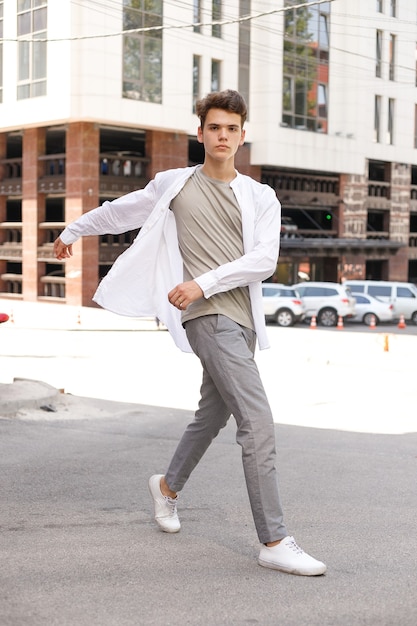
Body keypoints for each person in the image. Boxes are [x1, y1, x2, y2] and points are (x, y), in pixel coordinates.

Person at [54, 89, 326, 577]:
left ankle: (167, 488)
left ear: (243, 136)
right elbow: (121, 212)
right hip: (205, 316)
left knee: (212, 415)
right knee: (257, 422)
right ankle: (274, 538)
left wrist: (205, 280)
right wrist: (73, 230)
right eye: (214, 127)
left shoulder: (261, 196)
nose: (223, 135)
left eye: (232, 129)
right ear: (200, 133)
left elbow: (264, 260)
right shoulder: (174, 184)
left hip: (241, 320)